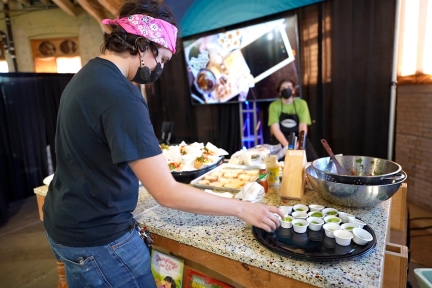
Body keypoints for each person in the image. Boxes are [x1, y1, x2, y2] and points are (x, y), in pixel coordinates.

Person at [42, 1, 283, 287]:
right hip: (99, 239)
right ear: (143, 44)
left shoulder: (86, 77)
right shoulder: (121, 96)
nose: (161, 69)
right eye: (163, 59)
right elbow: (167, 193)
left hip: (65, 225)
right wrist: (243, 208)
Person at [268, 79, 318, 161]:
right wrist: (288, 146)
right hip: (280, 139)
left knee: (312, 162)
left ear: (294, 90)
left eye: (289, 87)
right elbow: (275, 129)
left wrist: (299, 144)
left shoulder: (302, 104)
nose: (286, 89)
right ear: (280, 92)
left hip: (299, 138)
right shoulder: (273, 106)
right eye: (283, 87)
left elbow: (303, 127)